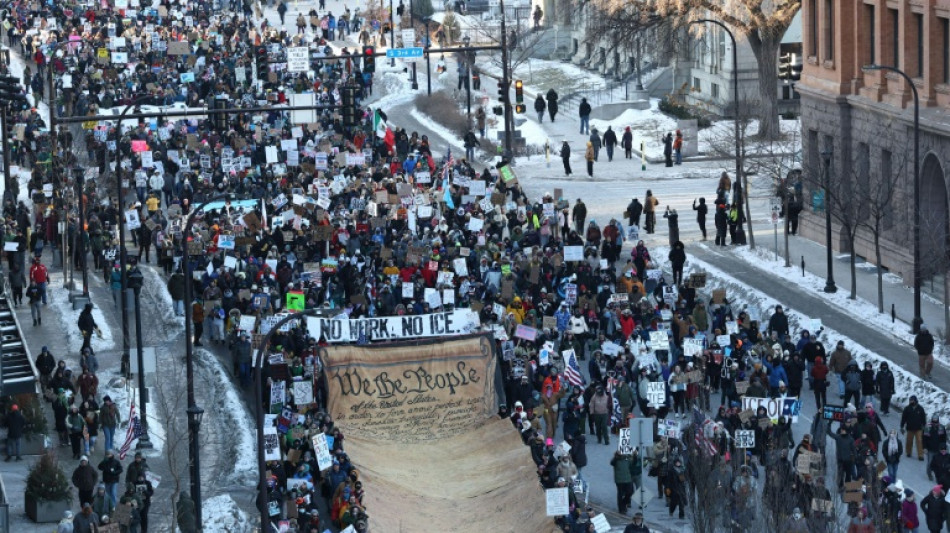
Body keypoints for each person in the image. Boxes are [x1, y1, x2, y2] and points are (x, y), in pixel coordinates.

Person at [610, 450, 637, 515]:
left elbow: (633, 463)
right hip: (619, 480)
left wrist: (635, 456)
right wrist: (617, 455)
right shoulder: (616, 459)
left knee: (630, 492)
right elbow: (612, 463)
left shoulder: (628, 459)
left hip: (628, 479)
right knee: (620, 494)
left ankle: (624, 503)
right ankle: (621, 509)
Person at [901, 395, 927, 462]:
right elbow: (904, 418)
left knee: (919, 441)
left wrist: (924, 425)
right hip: (910, 428)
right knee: (909, 441)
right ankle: (908, 452)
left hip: (918, 428)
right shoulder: (907, 408)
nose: (911, 401)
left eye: (912, 400)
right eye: (910, 400)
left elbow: (923, 418)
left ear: (915, 401)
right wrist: (902, 426)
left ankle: (920, 455)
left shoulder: (920, 409)